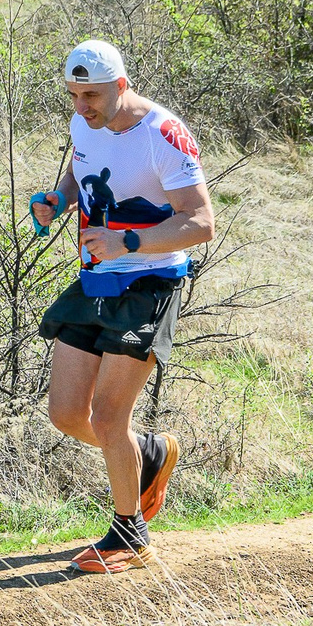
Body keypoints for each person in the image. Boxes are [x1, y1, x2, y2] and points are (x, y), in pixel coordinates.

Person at [29, 39, 214, 574]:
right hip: (95, 279)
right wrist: (58, 200)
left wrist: (128, 243)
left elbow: (200, 222)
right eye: (73, 95)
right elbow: (80, 172)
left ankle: (131, 536)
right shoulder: (84, 124)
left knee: (110, 416)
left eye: (91, 94)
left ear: (121, 85)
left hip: (150, 282)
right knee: (67, 413)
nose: (82, 106)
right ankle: (148, 454)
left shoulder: (163, 134)